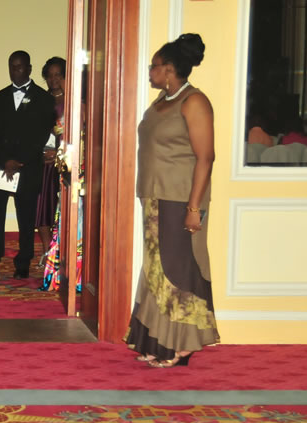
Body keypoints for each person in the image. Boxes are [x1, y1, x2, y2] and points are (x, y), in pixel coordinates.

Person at [126, 33, 220, 368]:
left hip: (180, 200)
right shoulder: (162, 102)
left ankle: (181, 344)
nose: (149, 72)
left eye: (154, 67)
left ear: (168, 69)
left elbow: (205, 158)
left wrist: (194, 208)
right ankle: (156, 340)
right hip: (154, 198)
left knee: (178, 272)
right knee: (155, 271)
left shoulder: (194, 101)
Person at [0, 51, 55, 279]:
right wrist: (6, 158)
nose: (15, 71)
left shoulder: (43, 99)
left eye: (19, 67)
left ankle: (23, 264)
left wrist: (22, 160)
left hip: (28, 166)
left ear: (29, 68)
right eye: (12, 67)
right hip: (1, 164)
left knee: (26, 217)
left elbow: (41, 134)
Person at [36, 57, 66, 266]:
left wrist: (59, 154)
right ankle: (48, 253)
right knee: (42, 209)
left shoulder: (75, 102)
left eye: (58, 74)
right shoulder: (39, 100)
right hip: (43, 163)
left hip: (67, 163)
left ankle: (64, 254)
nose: (54, 79)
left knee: (64, 210)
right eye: (50, 75)